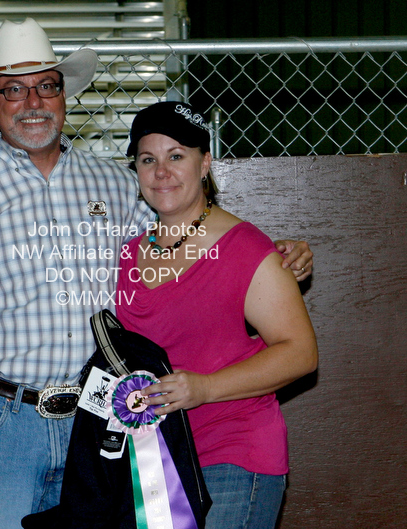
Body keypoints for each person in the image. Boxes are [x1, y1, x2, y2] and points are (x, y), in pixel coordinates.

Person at [0, 19, 314, 529]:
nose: (32, 101)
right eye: (13, 89)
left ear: (63, 95)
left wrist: (276, 255)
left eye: (46, 85)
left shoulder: (116, 186)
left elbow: (186, 236)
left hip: (101, 423)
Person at [116, 101, 319, 529]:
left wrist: (205, 388)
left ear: (205, 163)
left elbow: (301, 353)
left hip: (232, 454)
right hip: (154, 463)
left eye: (176, 156)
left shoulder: (245, 247)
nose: (161, 172)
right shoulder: (127, 252)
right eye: (148, 160)